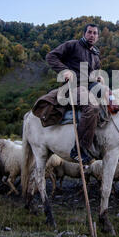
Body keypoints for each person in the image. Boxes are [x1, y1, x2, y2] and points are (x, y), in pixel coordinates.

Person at [46, 23, 105, 164]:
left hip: (89, 86)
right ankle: (79, 149)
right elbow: (51, 56)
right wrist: (64, 70)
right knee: (92, 107)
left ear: (97, 36)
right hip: (73, 87)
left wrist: (98, 77)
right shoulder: (72, 45)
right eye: (89, 32)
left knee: (110, 99)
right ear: (84, 33)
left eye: (95, 33)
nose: (92, 35)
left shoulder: (95, 55)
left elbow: (94, 73)